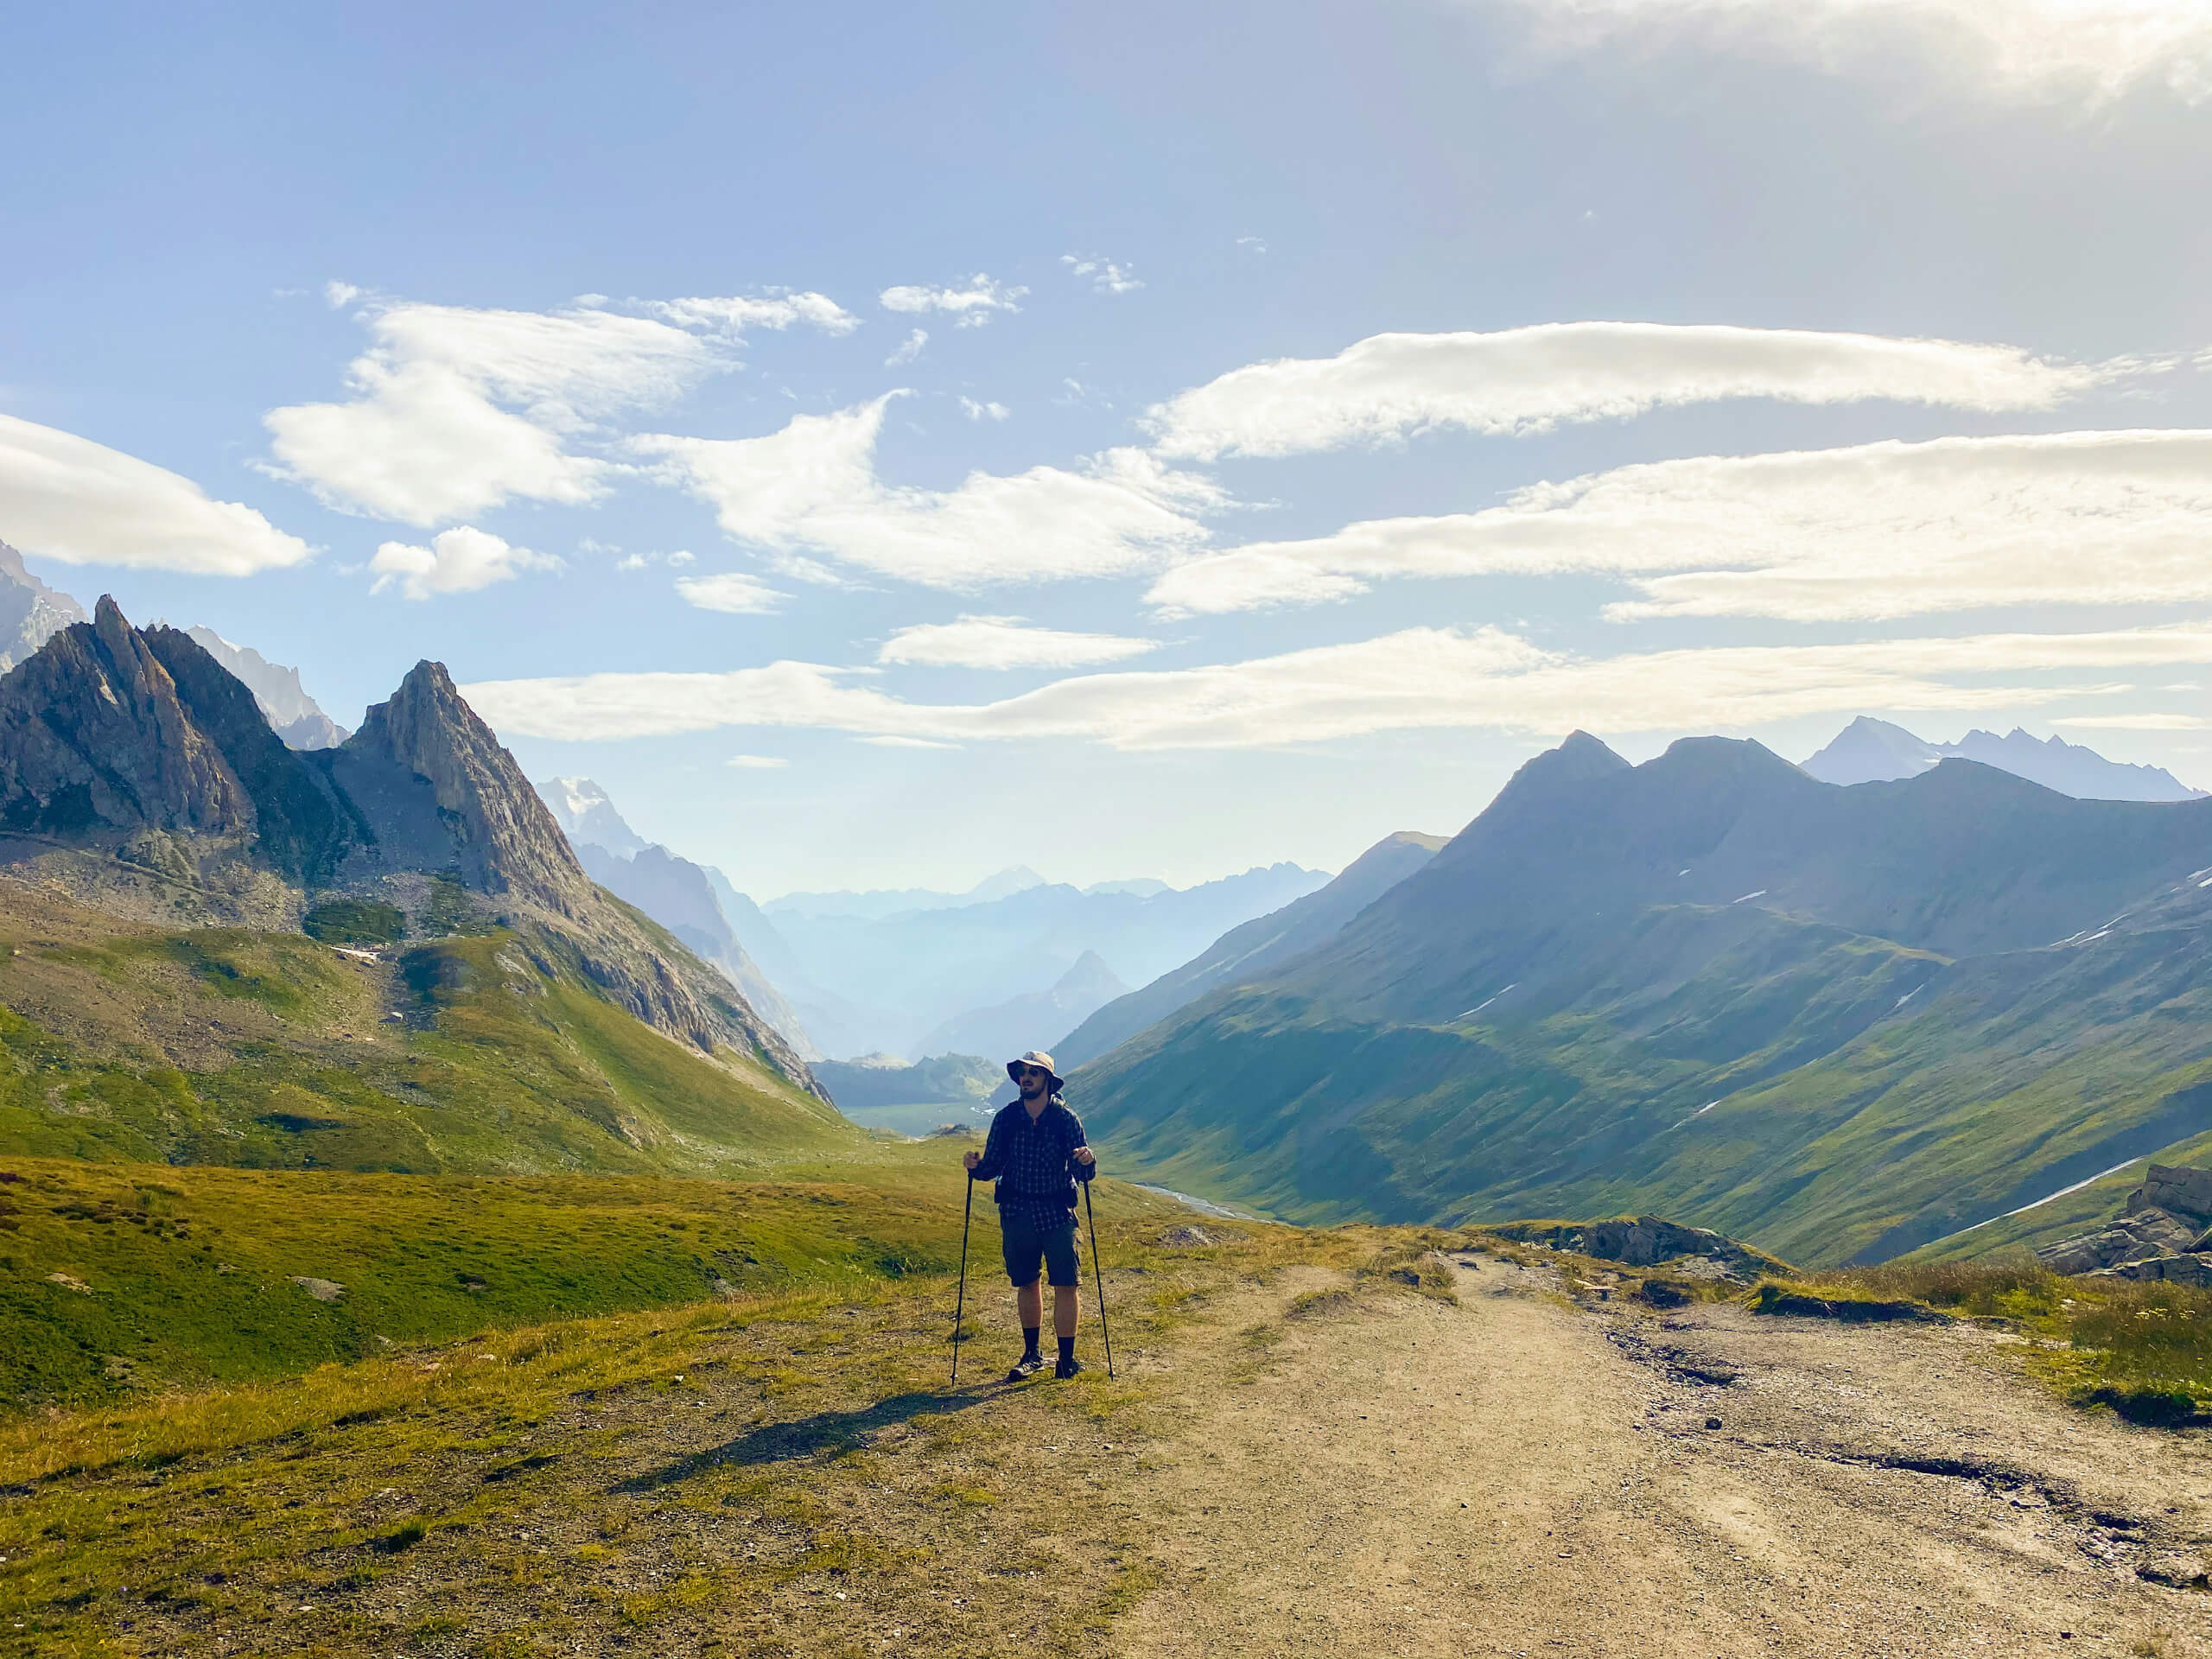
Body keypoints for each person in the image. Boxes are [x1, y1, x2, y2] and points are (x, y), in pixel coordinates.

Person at [963, 1048, 1096, 1380]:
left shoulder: (1067, 1120)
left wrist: (1087, 1161)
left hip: (1057, 1210)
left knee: (1066, 1284)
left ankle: (1066, 1361)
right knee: (1027, 1282)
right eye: (1023, 1072)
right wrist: (975, 1168)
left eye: (1033, 1073)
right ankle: (1032, 1355)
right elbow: (993, 1165)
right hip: (1017, 1211)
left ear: (1047, 1080)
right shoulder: (1006, 1119)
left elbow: (1083, 1174)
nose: (1026, 1077)